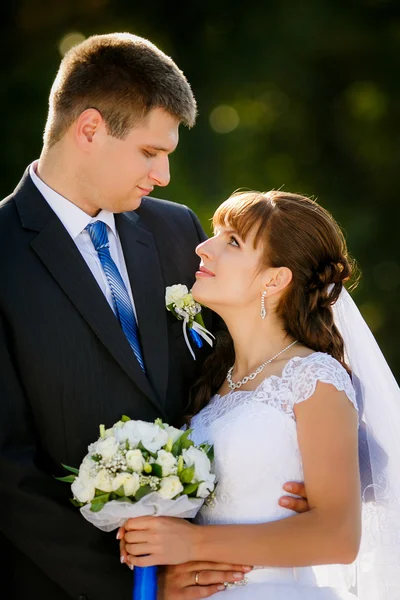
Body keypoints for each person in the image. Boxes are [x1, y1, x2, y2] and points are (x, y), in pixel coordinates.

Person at [0, 35, 307, 600]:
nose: (163, 174)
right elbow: (6, 471)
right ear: (89, 129)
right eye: (149, 152)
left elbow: (235, 372)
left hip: (216, 574)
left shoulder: (178, 230)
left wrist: (290, 461)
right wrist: (142, 585)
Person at [122, 190, 365, 599]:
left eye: (232, 241)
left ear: (275, 279)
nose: (203, 247)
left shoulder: (313, 378)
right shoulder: (212, 379)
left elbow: (340, 536)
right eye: (215, 234)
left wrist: (193, 544)